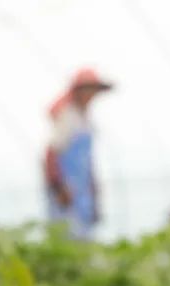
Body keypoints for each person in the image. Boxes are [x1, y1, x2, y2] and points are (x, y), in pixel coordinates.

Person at [44, 68, 114, 241]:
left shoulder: (85, 119)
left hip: (82, 192)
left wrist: (94, 191)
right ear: (78, 91)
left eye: (93, 91)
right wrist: (59, 187)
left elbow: (88, 162)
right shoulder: (68, 116)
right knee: (66, 238)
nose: (91, 95)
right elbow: (51, 153)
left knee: (84, 236)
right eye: (88, 90)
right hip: (67, 191)